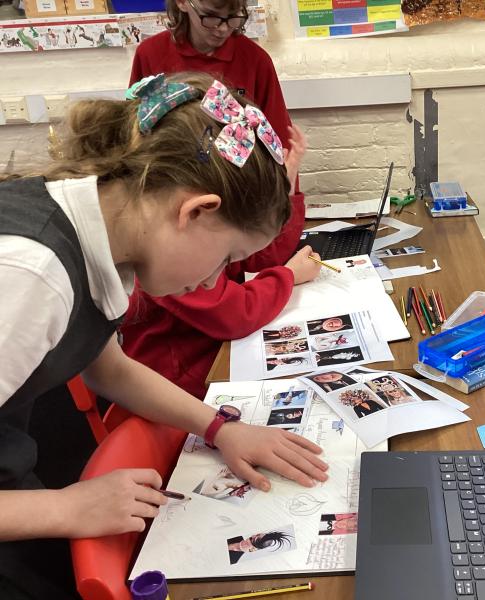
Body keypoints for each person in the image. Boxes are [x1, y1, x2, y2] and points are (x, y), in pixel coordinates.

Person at [0, 72, 328, 599]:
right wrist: (64, 506)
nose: (213, 281)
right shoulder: (31, 274)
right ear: (195, 211)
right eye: (225, 258)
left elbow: (109, 368)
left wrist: (221, 429)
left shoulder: (106, 240)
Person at [123, 0, 313, 399]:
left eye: (233, 17)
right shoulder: (166, 240)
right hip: (181, 385)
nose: (222, 28)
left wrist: (287, 184)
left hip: (212, 365)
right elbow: (230, 310)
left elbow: (257, 255)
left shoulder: (206, 221)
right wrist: (288, 277)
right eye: (211, 15)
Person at [227, 530, 293, 564]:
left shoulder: (233, 560)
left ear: (254, 549)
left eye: (252, 541)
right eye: (257, 535)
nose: (252, 536)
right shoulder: (235, 534)